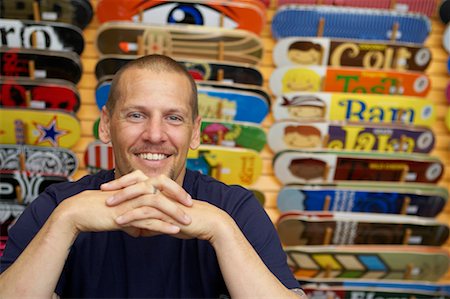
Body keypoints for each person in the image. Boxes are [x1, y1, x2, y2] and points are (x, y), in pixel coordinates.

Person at [0, 54, 305, 298]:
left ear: (195, 132)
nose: (155, 134)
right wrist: (66, 222)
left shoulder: (235, 209)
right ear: (105, 125)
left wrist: (221, 231)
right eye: (136, 115)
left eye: (173, 118)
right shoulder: (57, 206)